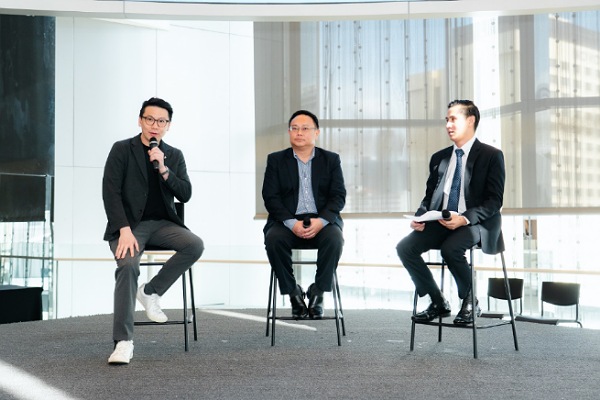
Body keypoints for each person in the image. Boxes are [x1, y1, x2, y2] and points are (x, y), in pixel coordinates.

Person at [102, 97, 204, 364]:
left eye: (161, 121)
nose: (155, 125)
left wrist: (165, 169)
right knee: (127, 265)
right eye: (149, 119)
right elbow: (110, 193)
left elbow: (185, 194)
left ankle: (150, 291)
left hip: (163, 224)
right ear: (140, 121)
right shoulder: (122, 149)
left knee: (195, 244)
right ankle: (123, 342)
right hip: (129, 226)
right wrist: (123, 230)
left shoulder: (174, 155)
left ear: (168, 126)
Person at [396, 99, 505, 325]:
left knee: (451, 249)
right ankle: (438, 302)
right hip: (442, 221)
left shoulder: (491, 155)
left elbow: (494, 201)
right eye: (447, 120)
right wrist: (420, 216)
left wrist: (464, 219)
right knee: (405, 247)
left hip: (476, 223)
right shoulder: (439, 158)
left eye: (453, 119)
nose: (448, 125)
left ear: (470, 120)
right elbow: (429, 197)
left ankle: (470, 300)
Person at [262, 110, 346, 319]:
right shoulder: (276, 160)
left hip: (322, 221)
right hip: (286, 221)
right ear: (289, 132)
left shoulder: (331, 160)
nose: (299, 133)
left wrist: (322, 221)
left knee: (335, 239)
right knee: (273, 239)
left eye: (305, 128)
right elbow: (270, 197)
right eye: (294, 128)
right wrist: (292, 223)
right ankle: (293, 293)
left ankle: (318, 291)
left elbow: (338, 196)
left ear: (316, 132)